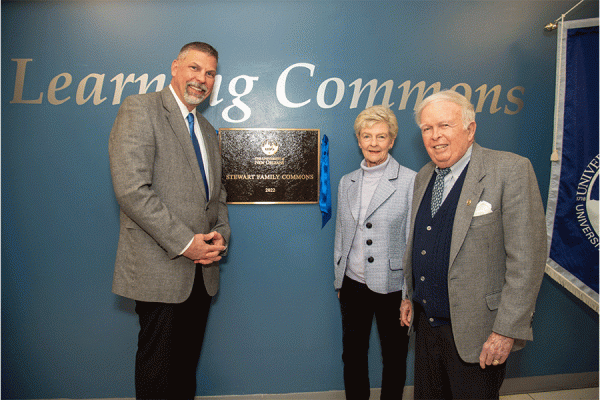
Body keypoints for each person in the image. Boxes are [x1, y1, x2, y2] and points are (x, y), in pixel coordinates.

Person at [400, 90, 546, 400]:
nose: (435, 136)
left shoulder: (510, 170)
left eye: (445, 125)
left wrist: (506, 329)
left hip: (479, 334)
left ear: (470, 129)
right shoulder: (423, 176)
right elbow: (418, 243)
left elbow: (528, 261)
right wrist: (408, 295)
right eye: (427, 128)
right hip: (427, 328)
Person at [108, 42, 230, 399]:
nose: (201, 79)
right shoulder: (141, 109)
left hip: (201, 275)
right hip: (160, 269)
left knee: (183, 372)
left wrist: (220, 235)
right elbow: (132, 190)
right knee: (157, 374)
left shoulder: (208, 130)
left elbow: (216, 197)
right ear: (175, 67)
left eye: (209, 73)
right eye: (194, 68)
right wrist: (186, 243)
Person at [334, 106, 416, 400]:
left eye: (381, 136)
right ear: (358, 139)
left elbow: (412, 240)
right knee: (352, 355)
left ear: (392, 140)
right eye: (366, 136)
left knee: (394, 358)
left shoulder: (410, 180)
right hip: (354, 284)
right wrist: (340, 280)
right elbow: (342, 234)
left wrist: (409, 293)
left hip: (393, 287)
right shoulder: (347, 182)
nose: (373, 143)